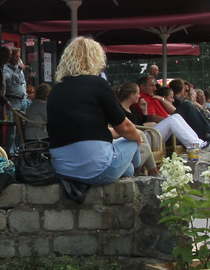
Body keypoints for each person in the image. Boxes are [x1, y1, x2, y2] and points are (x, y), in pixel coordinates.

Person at [47, 36, 144, 185]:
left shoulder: (56, 89)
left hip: (62, 170)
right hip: (96, 170)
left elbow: (79, 129)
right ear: (96, 59)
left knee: (127, 169)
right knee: (134, 140)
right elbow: (124, 126)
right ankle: (139, 174)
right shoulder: (99, 84)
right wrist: (137, 136)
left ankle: (130, 170)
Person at [132, 75, 210, 152]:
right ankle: (198, 143)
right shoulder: (142, 98)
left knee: (176, 116)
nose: (155, 88)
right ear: (142, 87)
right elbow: (149, 118)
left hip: (153, 132)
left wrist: (160, 101)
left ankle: (199, 142)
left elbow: (173, 112)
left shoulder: (147, 99)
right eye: (152, 85)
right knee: (182, 110)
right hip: (147, 136)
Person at [1, 46, 30, 113]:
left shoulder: (18, 68)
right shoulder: (6, 68)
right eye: (16, 56)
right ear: (10, 57)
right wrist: (18, 70)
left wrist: (25, 95)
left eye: (19, 56)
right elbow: (9, 81)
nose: (18, 58)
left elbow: (22, 81)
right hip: (13, 100)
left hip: (23, 100)